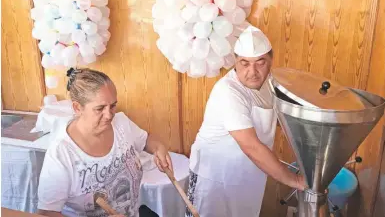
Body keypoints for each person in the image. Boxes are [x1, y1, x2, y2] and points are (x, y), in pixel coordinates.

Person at [186, 26, 307, 217]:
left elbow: (277, 118)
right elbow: (251, 146)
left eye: (260, 63)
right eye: (244, 63)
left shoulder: (270, 82)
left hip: (246, 176)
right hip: (213, 179)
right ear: (235, 62)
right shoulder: (228, 92)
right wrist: (295, 181)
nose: (253, 72)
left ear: (270, 61)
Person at [37, 68, 171, 217]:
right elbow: (46, 213)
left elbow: (146, 140)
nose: (109, 115)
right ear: (77, 107)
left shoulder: (121, 123)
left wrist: (159, 148)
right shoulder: (62, 153)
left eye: (113, 105)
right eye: (99, 108)